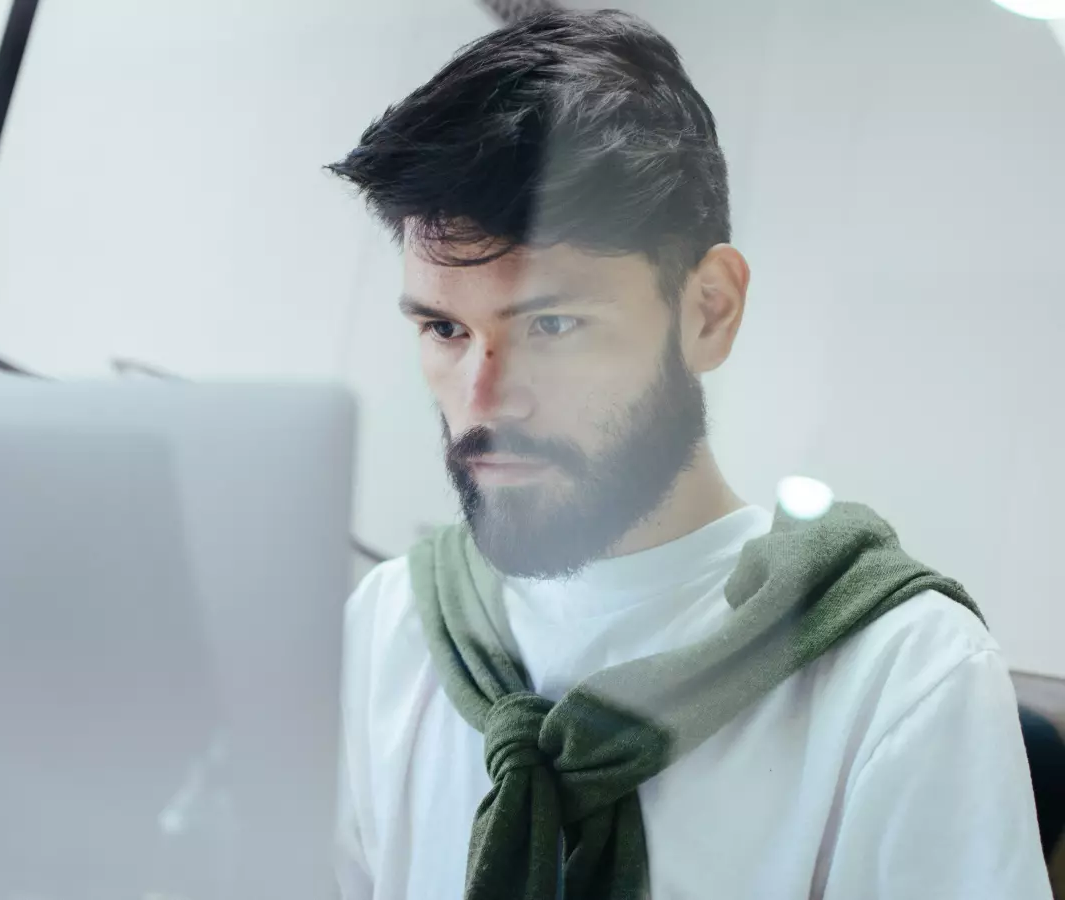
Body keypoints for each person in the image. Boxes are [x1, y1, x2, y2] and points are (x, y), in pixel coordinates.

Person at [327, 10, 1050, 899]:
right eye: (443, 327)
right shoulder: (389, 627)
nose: (481, 399)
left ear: (709, 310)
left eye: (553, 324)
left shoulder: (903, 677)